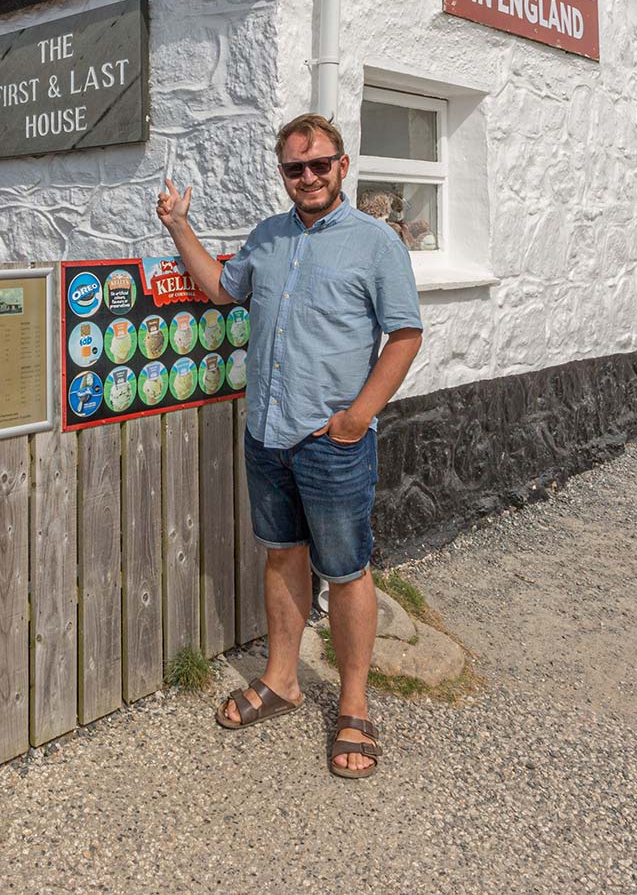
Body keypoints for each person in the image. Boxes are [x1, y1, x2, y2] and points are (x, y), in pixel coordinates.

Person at [154, 113, 422, 780]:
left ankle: (354, 704)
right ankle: (282, 679)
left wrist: (358, 416)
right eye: (295, 168)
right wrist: (178, 226)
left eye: (319, 164)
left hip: (331, 438)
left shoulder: (375, 242)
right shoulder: (268, 237)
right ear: (283, 174)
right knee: (282, 554)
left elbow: (405, 335)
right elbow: (221, 289)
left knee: (348, 569)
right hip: (267, 434)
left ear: (343, 166)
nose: (308, 176)